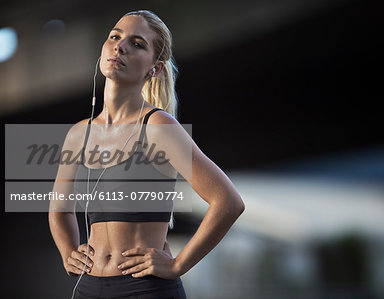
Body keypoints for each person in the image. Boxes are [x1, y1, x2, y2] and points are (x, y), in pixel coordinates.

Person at [48, 10, 245, 299]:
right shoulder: (79, 133)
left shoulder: (158, 126)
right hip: (87, 289)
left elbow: (228, 202)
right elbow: (58, 208)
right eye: (115, 36)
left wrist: (178, 264)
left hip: (144, 289)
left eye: (137, 44)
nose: (120, 46)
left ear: (154, 68)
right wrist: (68, 252)